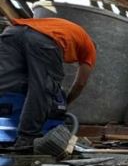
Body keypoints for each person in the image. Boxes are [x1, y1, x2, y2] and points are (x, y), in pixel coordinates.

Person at [0, 17, 96, 151]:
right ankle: (27, 138)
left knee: (5, 85)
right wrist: (65, 102)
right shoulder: (89, 47)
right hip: (43, 40)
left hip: (12, 33)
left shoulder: (65, 29)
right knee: (42, 88)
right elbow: (80, 83)